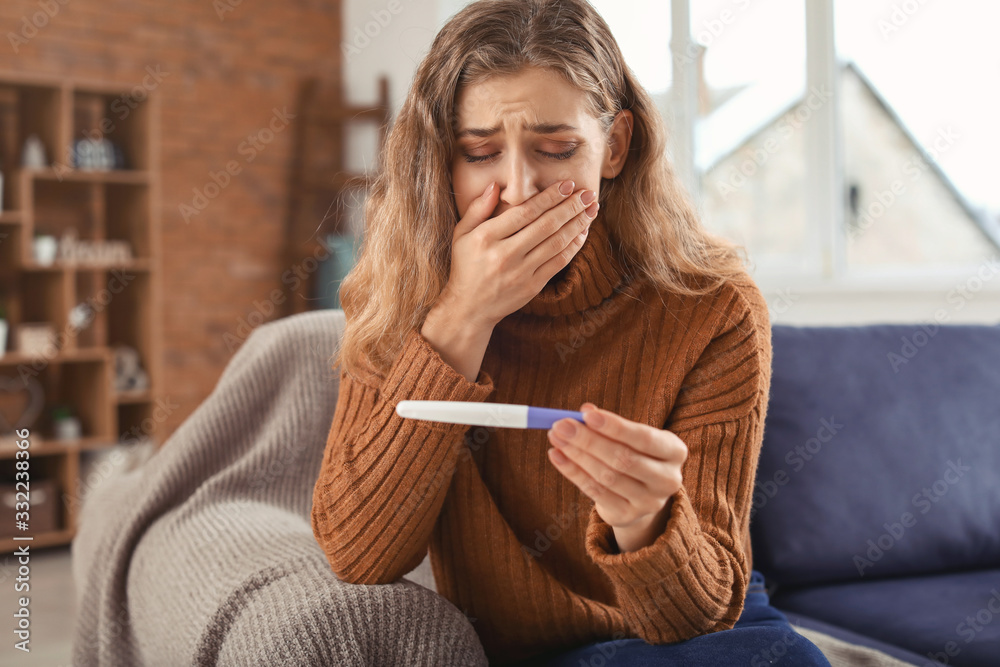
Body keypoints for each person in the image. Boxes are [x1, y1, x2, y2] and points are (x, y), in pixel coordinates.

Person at [311, 1, 831, 665]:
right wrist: (464, 315)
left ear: (614, 147)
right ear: (443, 157)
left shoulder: (714, 307)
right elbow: (357, 552)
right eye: (479, 152)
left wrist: (645, 520)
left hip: (698, 630)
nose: (519, 187)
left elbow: (706, 608)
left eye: (556, 149)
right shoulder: (405, 292)